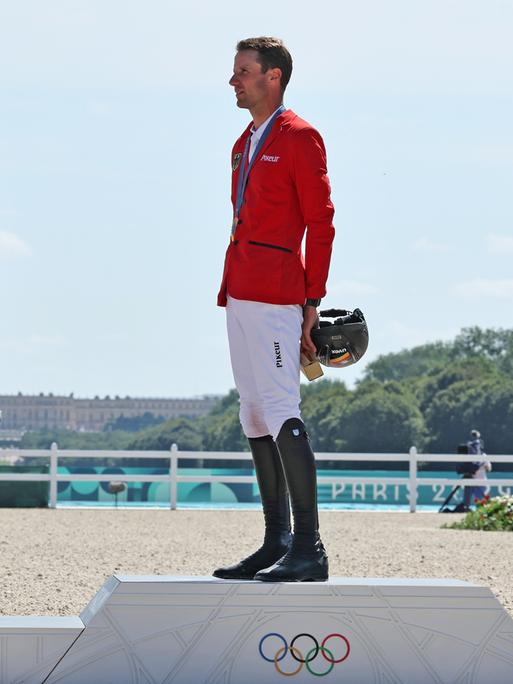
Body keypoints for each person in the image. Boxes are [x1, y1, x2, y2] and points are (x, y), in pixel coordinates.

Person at [213, 37, 335, 582]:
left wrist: (312, 301)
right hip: (239, 290)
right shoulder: (242, 143)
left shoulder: (301, 137)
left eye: (243, 72)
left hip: (280, 293)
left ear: (274, 78)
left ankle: (310, 549)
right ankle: (276, 540)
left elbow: (322, 223)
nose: (233, 81)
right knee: (253, 413)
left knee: (284, 408)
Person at [461, 429, 492, 510]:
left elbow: (489, 468)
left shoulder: (470, 454)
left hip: (474, 480)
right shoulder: (482, 455)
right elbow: (489, 468)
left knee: (473, 503)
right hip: (476, 480)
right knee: (475, 504)